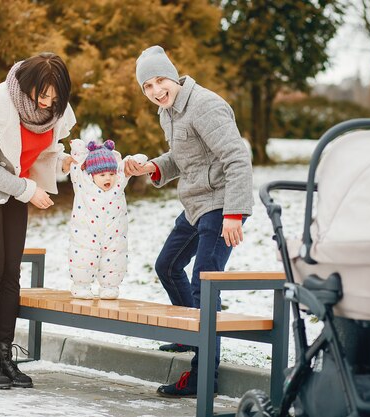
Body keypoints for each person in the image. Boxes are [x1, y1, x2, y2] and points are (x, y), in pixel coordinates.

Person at [125, 45, 254, 397]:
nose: (155, 91)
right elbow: (181, 157)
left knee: (205, 286)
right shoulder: (168, 111)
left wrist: (233, 214)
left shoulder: (205, 105)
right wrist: (153, 166)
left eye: (160, 81)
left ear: (174, 74)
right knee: (167, 266)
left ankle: (202, 379)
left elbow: (237, 159)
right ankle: (189, 335)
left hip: (222, 204)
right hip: (197, 204)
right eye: (147, 87)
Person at [0, 53, 76, 390]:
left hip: (17, 189)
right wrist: (27, 190)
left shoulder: (54, 110)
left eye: (56, 97)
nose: (49, 103)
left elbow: (43, 150)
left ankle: (6, 356)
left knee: (11, 271)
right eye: (43, 95)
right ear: (28, 86)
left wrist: (65, 160)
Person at [66, 138, 147, 299]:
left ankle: (109, 287)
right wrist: (78, 149)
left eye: (111, 173)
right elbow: (76, 166)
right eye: (102, 174)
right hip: (86, 235)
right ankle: (81, 286)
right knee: (83, 259)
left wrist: (136, 160)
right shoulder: (83, 185)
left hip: (114, 236)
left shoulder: (118, 184)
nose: (108, 178)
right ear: (92, 175)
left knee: (114, 259)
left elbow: (128, 165)